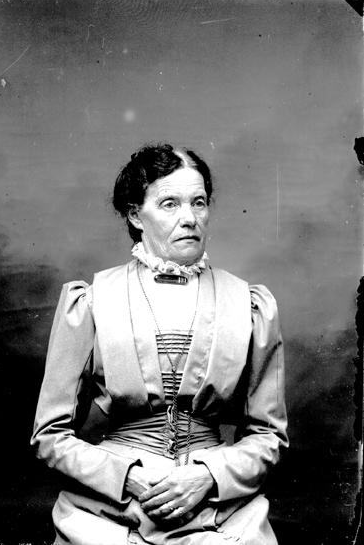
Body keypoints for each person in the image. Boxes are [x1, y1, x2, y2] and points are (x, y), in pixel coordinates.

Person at [31, 143, 288, 545]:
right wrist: (128, 478)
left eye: (199, 203)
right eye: (170, 204)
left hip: (219, 508)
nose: (189, 218)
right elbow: (50, 436)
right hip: (110, 508)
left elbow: (269, 435)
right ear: (136, 214)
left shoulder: (248, 303)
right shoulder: (92, 302)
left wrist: (208, 476)